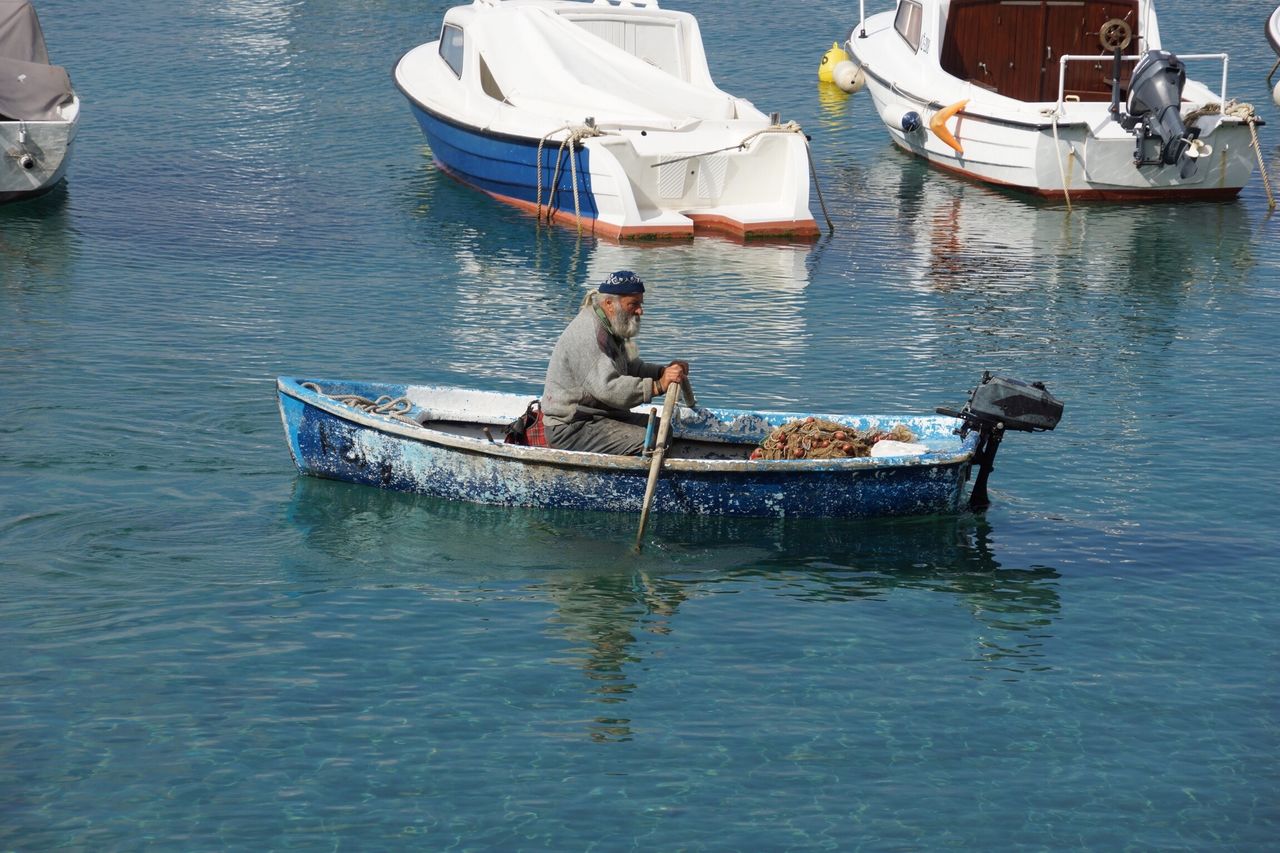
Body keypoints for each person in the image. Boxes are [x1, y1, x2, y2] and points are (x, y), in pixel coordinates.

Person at [541, 270, 689, 455]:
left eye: (640, 304)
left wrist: (662, 372)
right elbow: (609, 388)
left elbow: (630, 368)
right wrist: (658, 386)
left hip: (598, 417)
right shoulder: (588, 334)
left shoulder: (610, 326)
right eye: (633, 304)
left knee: (662, 430)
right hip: (572, 427)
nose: (640, 311)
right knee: (650, 439)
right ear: (610, 304)